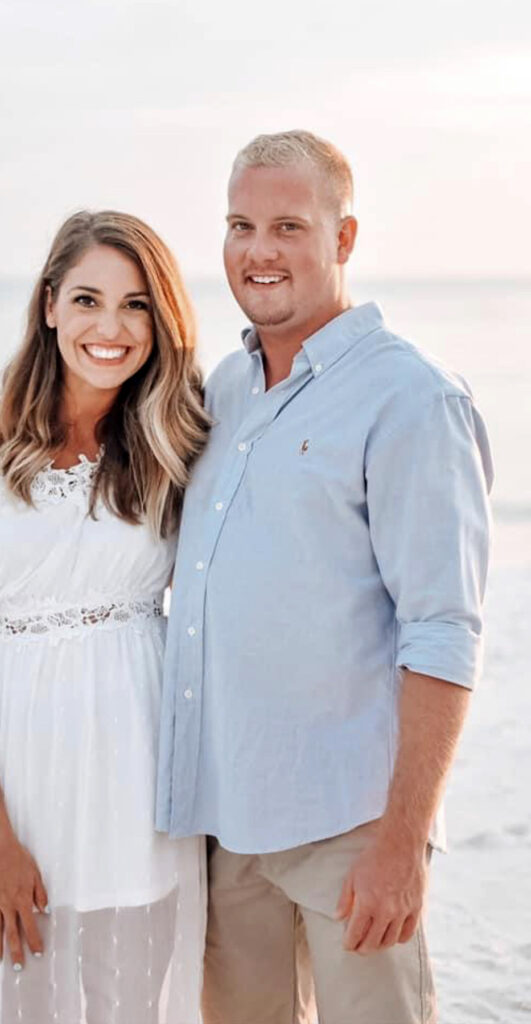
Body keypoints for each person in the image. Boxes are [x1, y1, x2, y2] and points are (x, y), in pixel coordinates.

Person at [156, 130, 493, 1024]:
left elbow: (442, 630)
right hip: (227, 824)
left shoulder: (411, 398)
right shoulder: (222, 391)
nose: (259, 251)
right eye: (240, 224)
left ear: (342, 239)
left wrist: (400, 841)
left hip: (350, 828)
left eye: (288, 227)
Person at [0, 210, 211, 1024]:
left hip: (143, 780)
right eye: (87, 300)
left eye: (137, 305)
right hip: (24, 786)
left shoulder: (174, 440)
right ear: (48, 306)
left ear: (163, 319)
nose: (111, 328)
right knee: (25, 999)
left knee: (134, 1001)